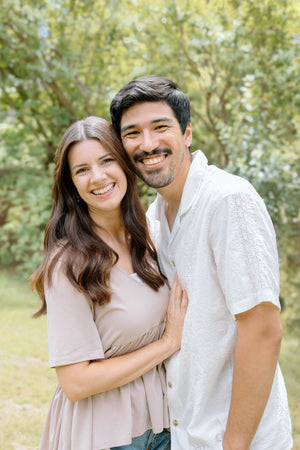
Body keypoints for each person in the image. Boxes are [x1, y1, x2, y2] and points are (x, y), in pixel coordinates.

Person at [110, 76, 293, 450]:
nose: (148, 144)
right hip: (184, 435)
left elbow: (263, 329)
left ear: (187, 133)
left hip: (237, 440)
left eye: (160, 127)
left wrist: (234, 444)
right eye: (132, 133)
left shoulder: (227, 200)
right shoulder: (154, 218)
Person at [31, 116, 188, 450]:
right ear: (70, 183)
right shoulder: (69, 263)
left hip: (162, 427)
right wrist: (168, 343)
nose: (98, 177)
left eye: (106, 161)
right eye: (82, 169)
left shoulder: (147, 236)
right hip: (106, 436)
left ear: (125, 164)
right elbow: (75, 382)